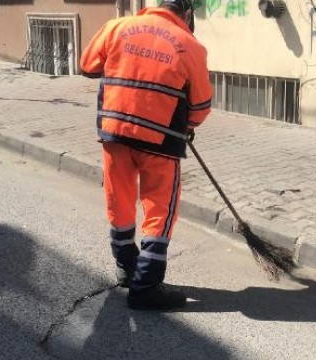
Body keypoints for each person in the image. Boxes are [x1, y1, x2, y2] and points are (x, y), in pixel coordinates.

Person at [79, 0, 212, 310]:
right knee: (159, 210)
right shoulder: (190, 45)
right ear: (187, 14)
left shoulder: (117, 27)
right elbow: (202, 108)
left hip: (115, 133)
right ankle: (147, 287)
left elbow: (88, 66)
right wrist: (187, 124)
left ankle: (127, 267)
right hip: (160, 143)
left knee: (120, 199)